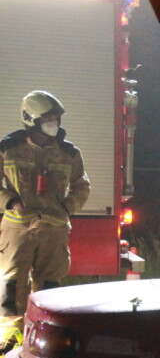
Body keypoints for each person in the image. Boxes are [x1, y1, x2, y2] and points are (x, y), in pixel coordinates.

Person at [0, 91, 92, 330]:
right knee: (12, 286)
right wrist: (9, 201)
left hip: (54, 228)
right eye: (48, 118)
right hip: (18, 228)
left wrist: (67, 208)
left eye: (55, 118)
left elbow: (82, 186)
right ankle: (10, 339)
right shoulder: (7, 148)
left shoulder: (69, 153)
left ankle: (45, 335)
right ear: (31, 119)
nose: (54, 123)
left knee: (49, 288)